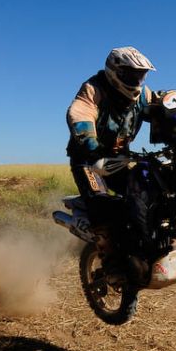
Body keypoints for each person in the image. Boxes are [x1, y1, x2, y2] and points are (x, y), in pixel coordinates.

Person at [65, 46, 157, 280]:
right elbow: (80, 115)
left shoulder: (143, 95)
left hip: (120, 160)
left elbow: (161, 109)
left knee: (146, 194)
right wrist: (92, 148)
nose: (137, 80)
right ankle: (110, 263)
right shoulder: (94, 89)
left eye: (141, 75)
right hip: (89, 160)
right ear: (115, 71)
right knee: (102, 204)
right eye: (131, 74)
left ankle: (141, 249)